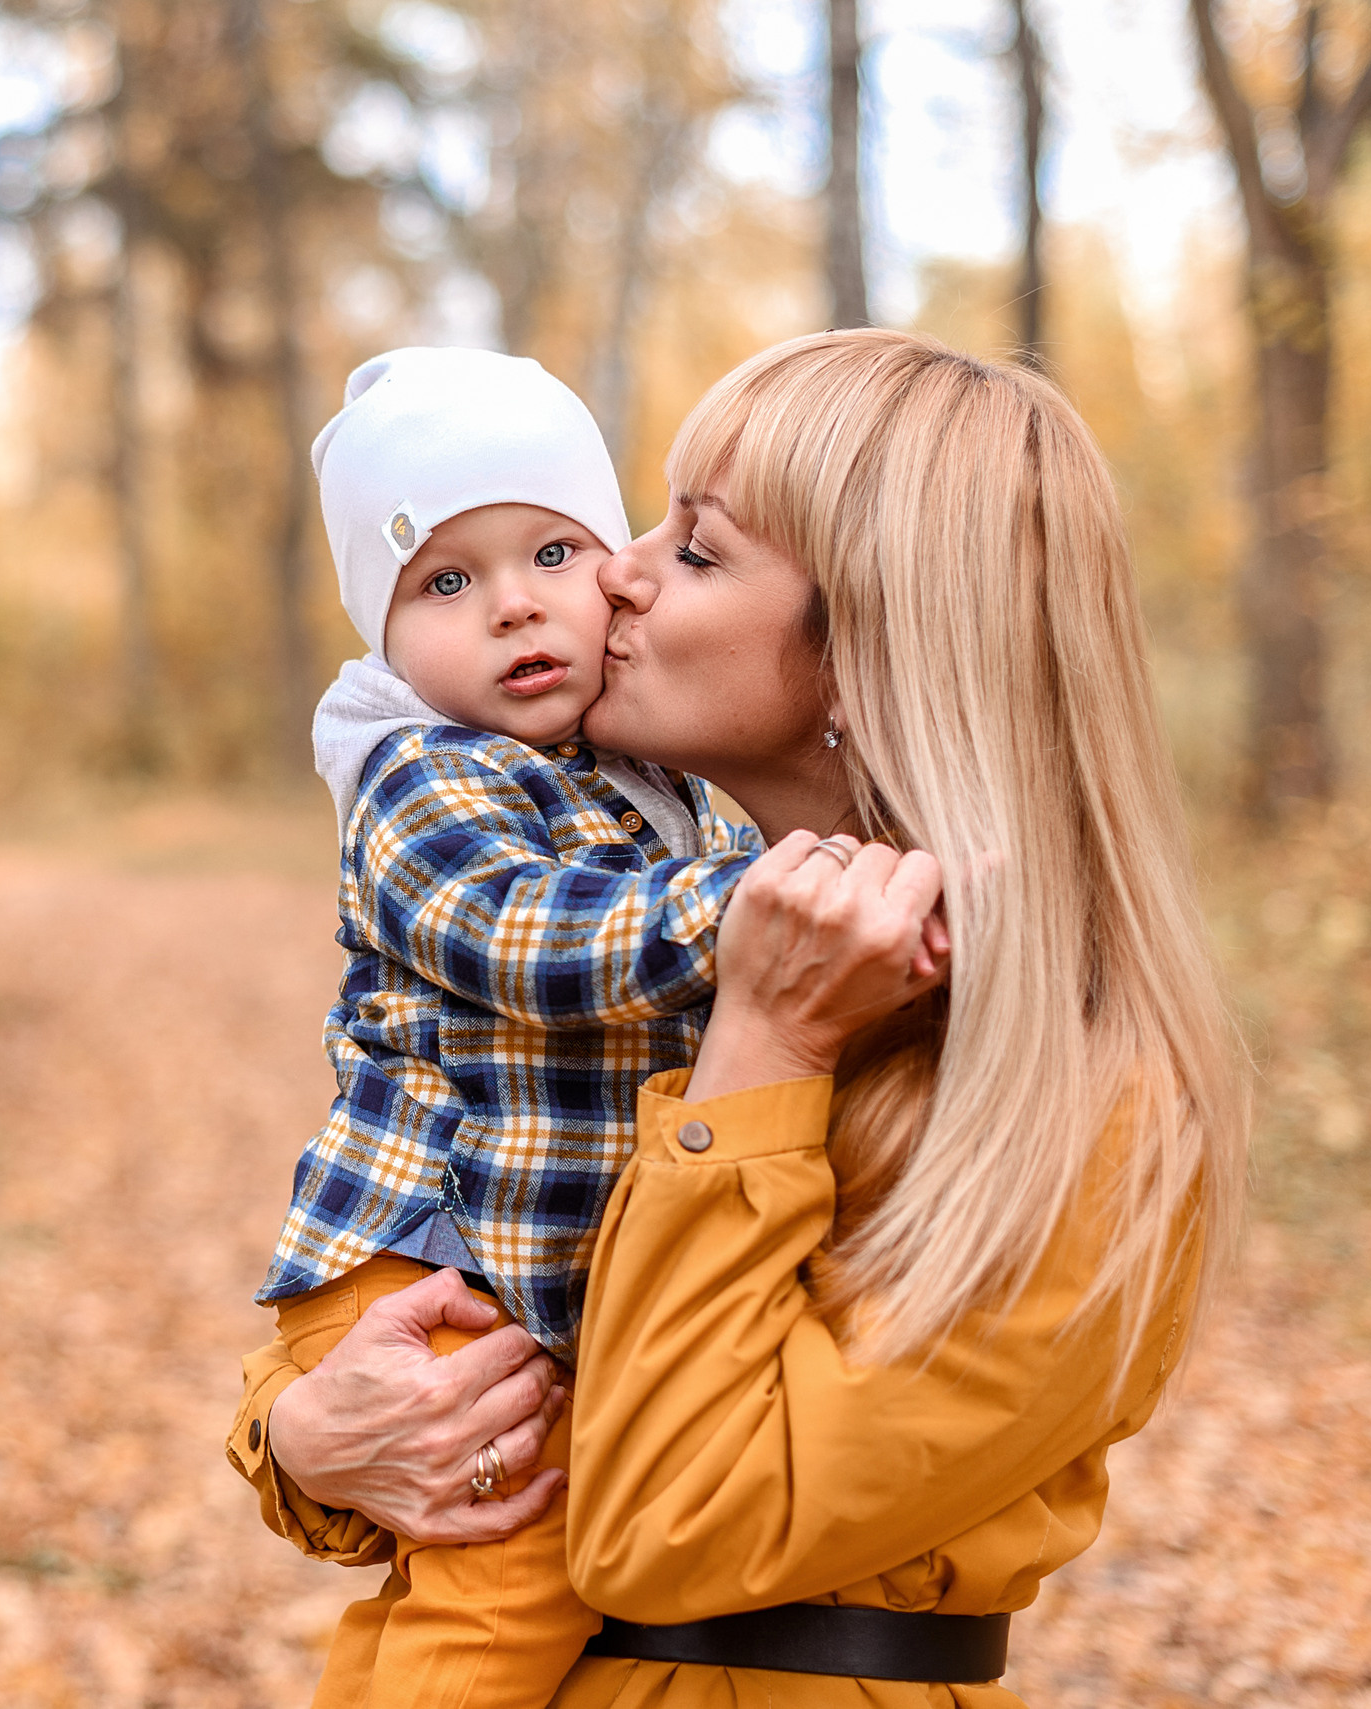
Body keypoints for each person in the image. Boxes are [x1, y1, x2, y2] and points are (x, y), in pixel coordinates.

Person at [232, 329, 1248, 1705]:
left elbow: (669, 1519)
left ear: (868, 653)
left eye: (695, 549)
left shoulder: (1080, 1099)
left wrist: (771, 1046)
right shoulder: (622, 910)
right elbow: (467, 1311)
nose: (615, 573)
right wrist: (303, 1437)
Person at [239, 346, 826, 1709]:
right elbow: (524, 934)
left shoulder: (637, 780)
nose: (514, 607)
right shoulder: (417, 776)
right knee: (507, 1586)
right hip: (444, 1256)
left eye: (553, 550)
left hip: (514, 1260)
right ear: (378, 633)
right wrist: (753, 902)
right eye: (446, 581)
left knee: (463, 1588)